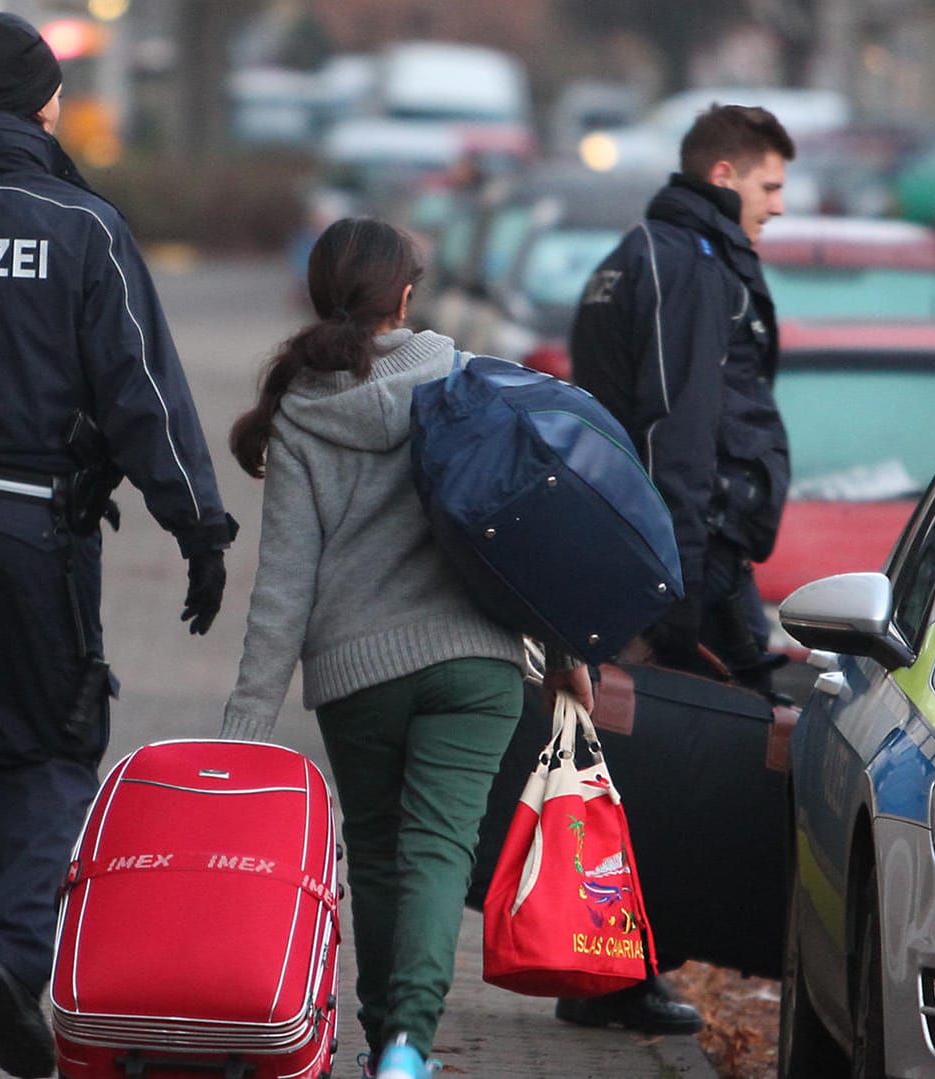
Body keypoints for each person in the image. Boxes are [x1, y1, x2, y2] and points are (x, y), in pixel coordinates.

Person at [0, 13, 237, 1079]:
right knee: (50, 750)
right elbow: (139, 389)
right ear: (44, 103)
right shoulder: (83, 225)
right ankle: (11, 954)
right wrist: (195, 522)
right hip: (35, 530)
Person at [219, 217, 592, 1079]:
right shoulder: (461, 378)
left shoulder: (304, 410)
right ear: (407, 297)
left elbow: (284, 586)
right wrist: (565, 643)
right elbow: (523, 529)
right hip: (475, 661)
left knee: (380, 854)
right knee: (438, 852)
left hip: (357, 675)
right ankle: (406, 1048)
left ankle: (381, 1034)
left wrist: (245, 727)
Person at [562, 103, 796, 1035]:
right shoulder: (687, 268)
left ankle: (614, 973)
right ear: (728, 175)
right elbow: (678, 430)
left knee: (639, 765)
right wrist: (685, 584)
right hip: (679, 558)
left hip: (657, 551)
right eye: (772, 186)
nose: (780, 208)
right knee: (690, 767)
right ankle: (620, 977)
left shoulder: (642, 257)